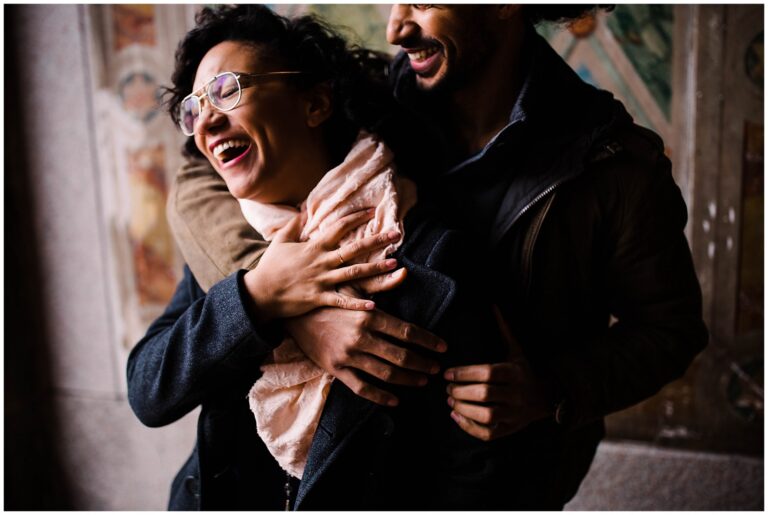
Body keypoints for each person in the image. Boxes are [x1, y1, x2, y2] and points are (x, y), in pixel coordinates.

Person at [164, 3, 709, 511]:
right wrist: (290, 305)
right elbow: (195, 176)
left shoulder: (616, 165)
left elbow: (670, 330)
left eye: (421, 0)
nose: (396, 29)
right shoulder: (370, 99)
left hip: (501, 486)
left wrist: (554, 388)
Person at [128, 5, 518, 510]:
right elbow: (147, 390)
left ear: (314, 103)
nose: (207, 120)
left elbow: (477, 469)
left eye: (227, 89)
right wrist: (257, 298)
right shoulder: (231, 241)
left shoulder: (426, 248)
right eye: (194, 108)